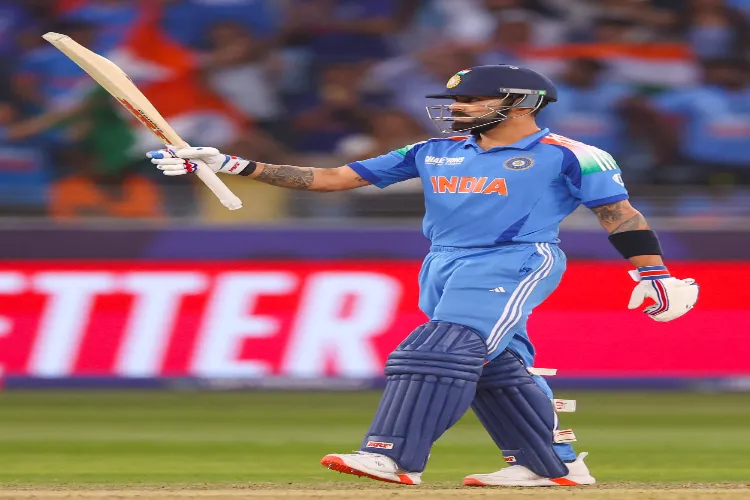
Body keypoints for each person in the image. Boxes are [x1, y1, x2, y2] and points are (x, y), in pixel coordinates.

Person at [146, 65, 700, 488]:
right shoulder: (434, 151)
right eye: (453, 100)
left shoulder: (574, 155)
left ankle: (392, 455)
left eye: (469, 99)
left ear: (520, 103)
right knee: (494, 366)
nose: (456, 109)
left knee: (440, 351)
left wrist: (652, 273)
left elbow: (619, 213)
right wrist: (231, 164)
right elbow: (334, 177)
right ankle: (549, 465)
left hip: (515, 259)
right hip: (442, 262)